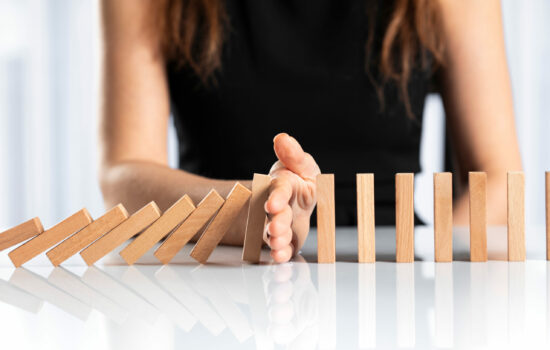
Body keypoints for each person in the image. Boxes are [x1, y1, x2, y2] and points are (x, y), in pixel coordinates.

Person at [99, 0, 522, 263]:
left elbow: (499, 177)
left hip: (399, 274)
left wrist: (435, 267)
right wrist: (250, 210)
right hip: (223, 270)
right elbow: (123, 176)